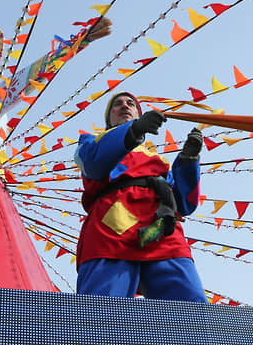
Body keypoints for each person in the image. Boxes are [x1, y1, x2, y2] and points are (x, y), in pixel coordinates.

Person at [74, 91, 207, 302]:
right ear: (109, 118)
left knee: (190, 306)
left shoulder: (157, 159)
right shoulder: (91, 142)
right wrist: (133, 130)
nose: (125, 106)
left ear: (138, 113)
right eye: (117, 105)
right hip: (112, 228)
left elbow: (185, 204)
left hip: (162, 228)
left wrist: (189, 160)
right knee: (101, 309)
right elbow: (92, 165)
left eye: (130, 104)